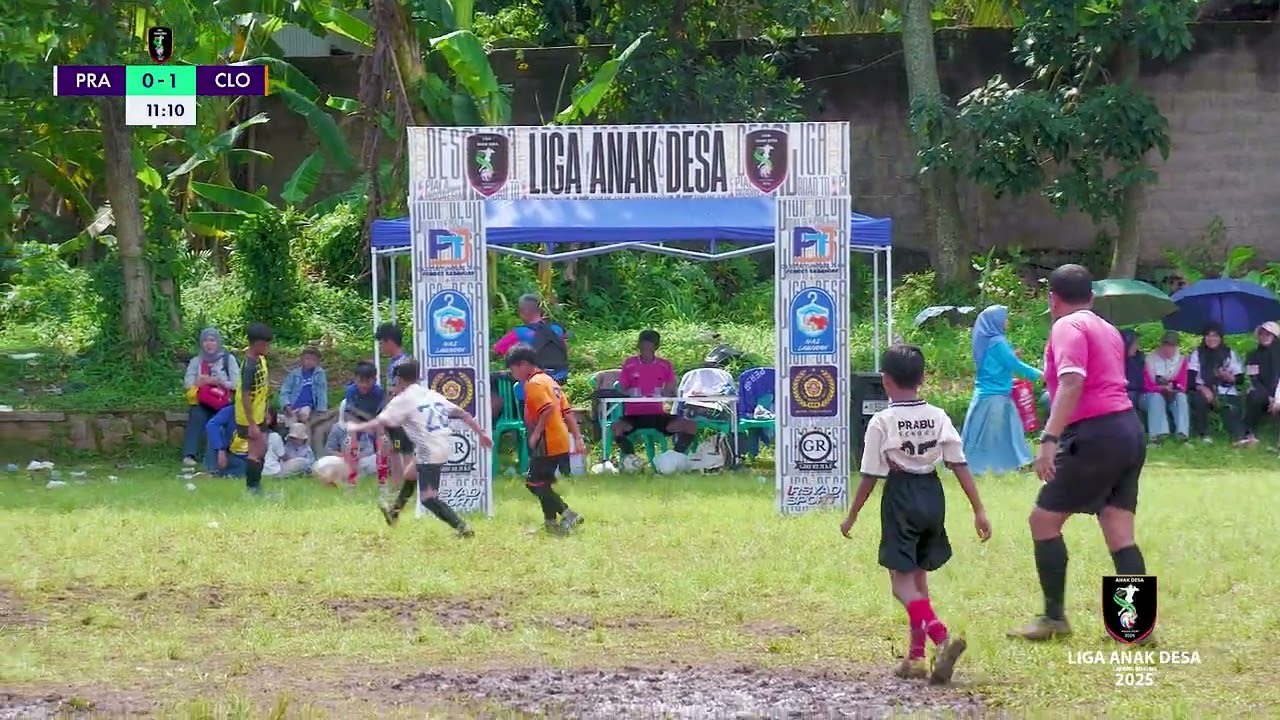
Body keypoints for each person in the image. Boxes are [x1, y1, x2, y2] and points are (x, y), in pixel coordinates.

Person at [1011, 265, 1149, 642]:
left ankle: (1054, 618)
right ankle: (1133, 628)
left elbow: (1073, 382)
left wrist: (1049, 438)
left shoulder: (1066, 326)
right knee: (1118, 529)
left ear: (1053, 299)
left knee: (1043, 520)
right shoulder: (1108, 329)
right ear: (1092, 296)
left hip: (1095, 433)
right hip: (1128, 429)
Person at [840, 344, 991, 684]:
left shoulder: (883, 421)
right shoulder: (938, 416)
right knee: (919, 580)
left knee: (901, 584)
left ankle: (939, 634)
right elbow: (959, 463)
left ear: (885, 380)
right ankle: (917, 657)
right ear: (923, 378)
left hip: (901, 497)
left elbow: (870, 475)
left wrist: (851, 516)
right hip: (933, 495)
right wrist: (978, 510)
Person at [347, 360, 491, 536]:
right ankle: (394, 512)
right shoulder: (430, 394)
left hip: (429, 449)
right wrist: (481, 434)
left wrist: (356, 428)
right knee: (410, 474)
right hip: (442, 444)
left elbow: (380, 421)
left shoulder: (402, 400)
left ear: (398, 379)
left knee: (428, 498)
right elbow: (463, 414)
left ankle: (463, 528)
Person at [505, 344, 586, 533]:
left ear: (523, 364)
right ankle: (550, 523)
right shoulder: (550, 381)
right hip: (560, 440)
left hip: (547, 442)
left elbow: (548, 408)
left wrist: (536, 433)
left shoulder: (534, 383)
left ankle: (568, 513)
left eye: (513, 368)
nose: (513, 373)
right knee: (544, 483)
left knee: (533, 484)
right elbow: (567, 412)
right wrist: (577, 438)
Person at [960, 305, 1044, 476]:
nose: (1007, 321)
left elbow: (996, 364)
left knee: (999, 431)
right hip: (995, 396)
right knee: (998, 434)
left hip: (987, 394)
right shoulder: (997, 342)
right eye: (1004, 318)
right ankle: (1006, 464)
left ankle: (1018, 461)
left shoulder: (985, 342)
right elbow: (1014, 365)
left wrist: (1011, 356)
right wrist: (1041, 375)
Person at [612, 330, 699, 461]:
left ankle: (675, 457)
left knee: (690, 426)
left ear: (656, 347)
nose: (645, 350)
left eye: (649, 347)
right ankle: (631, 459)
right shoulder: (629, 364)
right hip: (633, 416)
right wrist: (633, 392)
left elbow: (671, 390)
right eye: (643, 346)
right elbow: (621, 388)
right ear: (638, 346)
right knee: (617, 427)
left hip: (657, 414)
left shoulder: (665, 365)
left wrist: (662, 393)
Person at [181, 327, 241, 467]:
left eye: (212, 340)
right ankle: (190, 454)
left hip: (223, 401)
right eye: (206, 340)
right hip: (204, 400)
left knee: (220, 420)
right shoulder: (197, 361)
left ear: (218, 342)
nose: (209, 344)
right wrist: (201, 381)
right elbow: (187, 384)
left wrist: (220, 382)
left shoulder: (228, 359)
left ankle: (222, 455)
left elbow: (237, 384)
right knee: (197, 414)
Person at [1187, 322, 1245, 444]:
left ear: (1220, 338)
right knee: (1199, 400)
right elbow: (1190, 380)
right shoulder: (1197, 353)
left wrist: (1229, 377)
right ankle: (1204, 434)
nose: (1211, 339)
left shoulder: (1230, 353)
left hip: (1225, 390)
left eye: (1215, 336)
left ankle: (1239, 437)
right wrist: (1203, 388)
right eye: (1208, 335)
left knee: (1231, 406)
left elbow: (1240, 379)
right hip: (1203, 390)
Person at [492, 294, 570, 383]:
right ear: (540, 310)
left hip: (533, 382)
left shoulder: (518, 333)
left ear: (522, 312)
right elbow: (565, 351)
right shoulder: (557, 329)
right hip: (560, 380)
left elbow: (496, 351)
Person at [235, 323, 274, 494]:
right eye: (265, 344)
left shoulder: (261, 359)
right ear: (255, 344)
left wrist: (266, 411)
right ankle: (253, 489)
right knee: (255, 451)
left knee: (262, 448)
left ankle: (256, 487)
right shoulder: (249, 366)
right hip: (248, 417)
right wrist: (251, 423)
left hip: (260, 413)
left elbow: (263, 389)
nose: (268, 347)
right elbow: (245, 395)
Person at [375, 324, 414, 494]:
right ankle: (397, 485)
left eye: (382, 343)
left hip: (401, 414)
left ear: (390, 341)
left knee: (403, 451)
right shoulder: (397, 362)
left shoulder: (401, 364)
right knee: (393, 449)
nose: (381, 347)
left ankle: (405, 485)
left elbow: (397, 390)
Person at [1143, 331, 1190, 442]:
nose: (1168, 349)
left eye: (1172, 346)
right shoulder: (1150, 360)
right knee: (1156, 398)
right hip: (1150, 395)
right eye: (1166, 345)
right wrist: (1160, 388)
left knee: (1181, 397)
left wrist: (1173, 388)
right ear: (1161, 345)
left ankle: (1182, 434)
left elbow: (1183, 384)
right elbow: (1146, 385)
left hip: (1171, 393)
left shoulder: (1181, 361)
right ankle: (1157, 435)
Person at [1240, 321, 1280, 446]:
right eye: (1262, 334)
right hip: (1263, 393)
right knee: (1254, 396)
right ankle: (1249, 434)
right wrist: (1269, 397)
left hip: (1279, 392)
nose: (1264, 337)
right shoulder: (1253, 355)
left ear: (1275, 336)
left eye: (1268, 334)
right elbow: (1253, 378)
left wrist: (1277, 399)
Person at [279, 347, 328, 424]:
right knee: (289, 424)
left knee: (304, 414)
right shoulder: (294, 374)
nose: (310, 362)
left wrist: (321, 409)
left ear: (318, 362)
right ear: (301, 359)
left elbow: (321, 392)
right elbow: (285, 391)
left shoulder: (319, 373)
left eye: (313, 360)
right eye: (307, 359)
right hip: (293, 405)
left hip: (307, 405)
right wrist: (286, 405)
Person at [204, 404, 248, 477]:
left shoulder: (259, 412)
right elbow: (211, 425)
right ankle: (213, 470)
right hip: (227, 453)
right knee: (218, 431)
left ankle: (221, 474)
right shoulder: (230, 410)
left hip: (245, 458)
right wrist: (220, 449)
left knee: (246, 469)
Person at [1120, 329, 1147, 410]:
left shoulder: (1140, 358)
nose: (1136, 347)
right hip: (1125, 393)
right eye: (1135, 344)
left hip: (1142, 393)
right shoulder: (1117, 359)